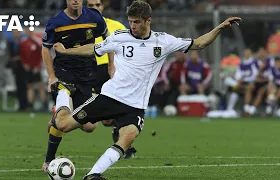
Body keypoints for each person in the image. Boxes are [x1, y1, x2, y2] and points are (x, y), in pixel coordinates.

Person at [51, 1, 241, 179]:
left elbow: (198, 43)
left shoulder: (163, 41)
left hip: (135, 105)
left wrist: (220, 27)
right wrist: (66, 51)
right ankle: (62, 94)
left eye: (137, 22)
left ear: (148, 20)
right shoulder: (119, 37)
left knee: (127, 138)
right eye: (131, 22)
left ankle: (93, 175)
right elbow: (93, 49)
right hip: (110, 96)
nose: (132, 26)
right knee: (63, 125)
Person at [41, 0, 111, 172]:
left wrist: (112, 65)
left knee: (90, 127)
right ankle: (49, 161)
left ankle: (55, 120)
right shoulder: (56, 22)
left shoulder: (94, 17)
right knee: (64, 118)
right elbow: (46, 49)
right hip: (64, 74)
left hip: (87, 76)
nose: (75, 0)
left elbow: (109, 40)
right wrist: (51, 76)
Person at [86, 0, 136, 158]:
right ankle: (60, 118)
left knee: (117, 113)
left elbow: (131, 48)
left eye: (98, 5)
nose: (95, 8)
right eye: (91, 6)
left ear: (102, 7)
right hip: (88, 73)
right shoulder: (78, 28)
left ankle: (123, 143)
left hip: (111, 72)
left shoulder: (117, 27)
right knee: (94, 123)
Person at [20, 28, 46, 110]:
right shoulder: (23, 42)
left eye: (30, 31)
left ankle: (44, 104)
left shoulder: (37, 42)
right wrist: (24, 64)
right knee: (29, 86)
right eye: (27, 31)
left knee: (40, 86)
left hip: (36, 68)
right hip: (28, 69)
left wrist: (37, 66)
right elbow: (21, 55)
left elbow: (40, 55)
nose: (28, 32)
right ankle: (30, 105)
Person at [244, 47, 274, 116]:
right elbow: (255, 76)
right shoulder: (254, 62)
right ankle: (246, 109)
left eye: (263, 52)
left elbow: (270, 75)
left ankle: (251, 111)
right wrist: (260, 69)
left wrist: (263, 78)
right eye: (260, 53)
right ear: (258, 54)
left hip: (267, 82)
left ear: (266, 53)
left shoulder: (270, 61)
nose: (262, 54)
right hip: (257, 82)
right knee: (249, 88)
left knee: (261, 91)